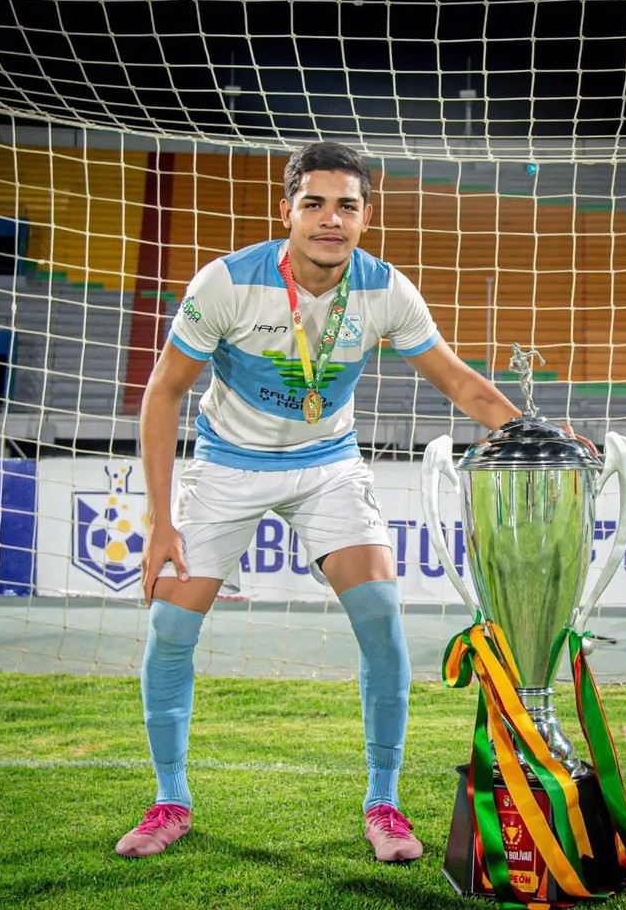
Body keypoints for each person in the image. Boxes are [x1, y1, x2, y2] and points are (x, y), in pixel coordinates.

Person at [115, 140, 528, 863]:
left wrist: (535, 434)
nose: (329, 219)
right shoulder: (227, 283)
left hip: (327, 465)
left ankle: (385, 805)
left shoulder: (385, 290)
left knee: (381, 617)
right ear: (288, 211)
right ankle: (170, 799)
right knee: (171, 629)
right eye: (314, 204)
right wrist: (160, 524)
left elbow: (462, 384)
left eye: (347, 205)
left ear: (366, 217)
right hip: (226, 466)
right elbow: (163, 394)